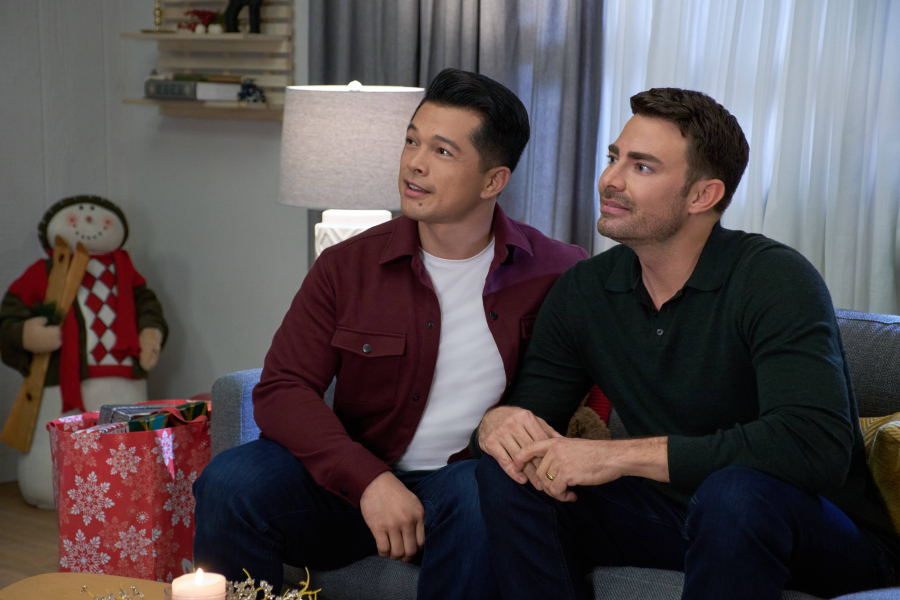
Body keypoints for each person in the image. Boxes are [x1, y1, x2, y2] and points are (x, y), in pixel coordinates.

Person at [473, 88, 900, 600]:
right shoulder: (585, 290)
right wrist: (499, 423)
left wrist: (617, 457)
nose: (610, 179)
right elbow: (532, 417)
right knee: (509, 476)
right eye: (613, 158)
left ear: (703, 196)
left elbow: (813, 446)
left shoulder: (775, 278)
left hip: (813, 532)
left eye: (641, 166)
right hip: (674, 518)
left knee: (734, 494)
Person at [192, 68, 587, 599]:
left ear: (493, 181)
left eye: (442, 152)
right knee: (231, 481)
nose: (414, 164)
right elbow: (283, 388)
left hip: (467, 486)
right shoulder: (347, 266)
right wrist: (369, 480)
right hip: (354, 482)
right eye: (411, 141)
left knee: (479, 492)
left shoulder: (558, 271)